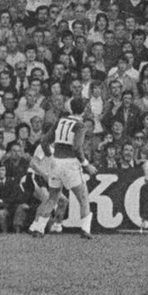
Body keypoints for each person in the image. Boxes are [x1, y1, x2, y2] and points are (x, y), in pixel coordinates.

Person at [29, 99, 93, 239]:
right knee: (83, 197)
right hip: (70, 164)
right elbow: (77, 147)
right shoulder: (80, 125)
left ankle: (39, 229)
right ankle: (85, 229)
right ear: (83, 110)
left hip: (56, 163)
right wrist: (86, 164)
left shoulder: (60, 121)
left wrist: (51, 157)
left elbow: (44, 141)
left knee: (52, 198)